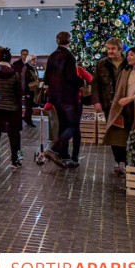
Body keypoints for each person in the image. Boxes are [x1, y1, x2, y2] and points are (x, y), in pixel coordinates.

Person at [43, 31, 86, 168]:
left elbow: (46, 78)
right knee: (73, 126)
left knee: (62, 126)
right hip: (69, 97)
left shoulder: (52, 56)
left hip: (55, 97)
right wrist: (81, 82)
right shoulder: (69, 57)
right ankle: (57, 150)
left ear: (57, 41)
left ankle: (64, 155)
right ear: (69, 41)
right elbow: (71, 77)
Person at [91, 38, 128, 174]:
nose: (110, 51)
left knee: (127, 133)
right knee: (114, 134)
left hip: (127, 106)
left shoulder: (128, 64)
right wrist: (96, 101)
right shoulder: (102, 64)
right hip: (110, 105)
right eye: (108, 48)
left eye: (113, 49)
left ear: (120, 50)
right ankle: (120, 161)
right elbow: (95, 84)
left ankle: (128, 161)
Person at [21, 54, 39, 128]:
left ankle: (28, 118)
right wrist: (25, 92)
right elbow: (24, 80)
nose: (35, 61)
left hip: (32, 89)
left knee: (30, 106)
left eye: (36, 59)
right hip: (29, 90)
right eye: (33, 59)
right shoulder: (26, 68)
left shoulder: (32, 68)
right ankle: (27, 119)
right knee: (28, 106)